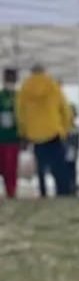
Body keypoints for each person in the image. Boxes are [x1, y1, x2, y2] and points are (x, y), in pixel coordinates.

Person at [16, 62, 73, 196]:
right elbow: (65, 110)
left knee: (40, 166)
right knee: (59, 166)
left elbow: (20, 113)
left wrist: (23, 131)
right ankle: (63, 192)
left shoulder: (24, 88)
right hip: (53, 131)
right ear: (44, 71)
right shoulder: (53, 86)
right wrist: (65, 129)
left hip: (34, 134)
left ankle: (43, 192)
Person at [0, 68, 18, 198]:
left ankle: (11, 192)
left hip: (13, 138)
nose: (9, 81)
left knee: (10, 168)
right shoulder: (1, 96)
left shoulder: (19, 97)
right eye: (8, 79)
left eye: (12, 79)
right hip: (2, 137)